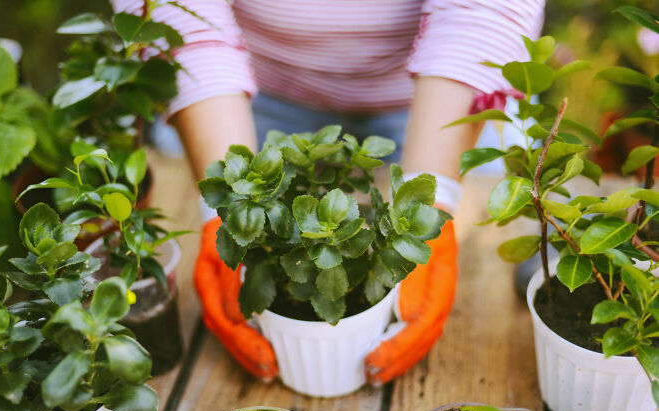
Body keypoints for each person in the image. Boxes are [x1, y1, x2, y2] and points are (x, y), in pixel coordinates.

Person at [114, 0, 545, 385]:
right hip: (243, 94)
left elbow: (483, 14)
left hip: (440, 96)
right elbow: (175, 11)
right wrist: (227, 210)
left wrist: (438, 196)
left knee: (502, 196)